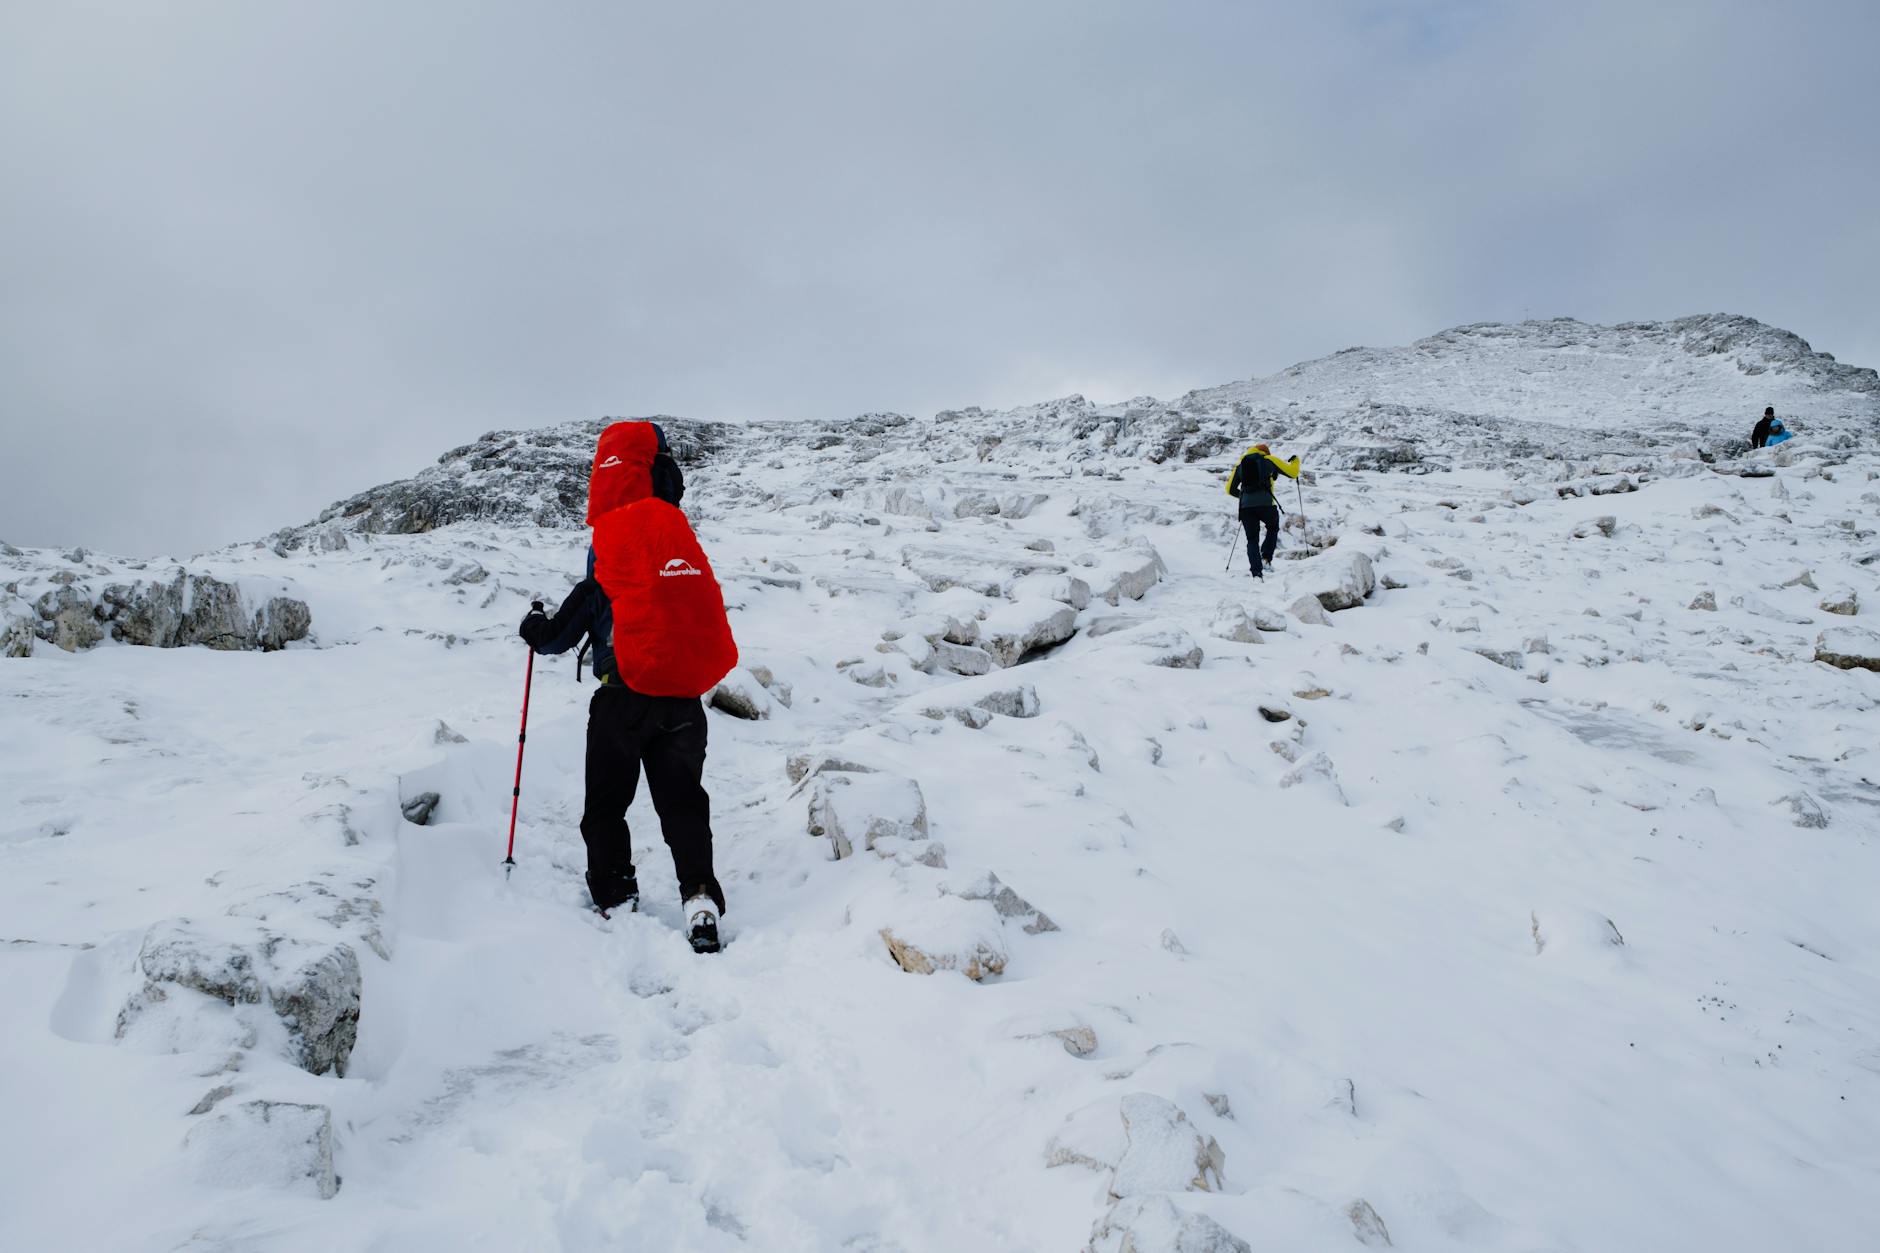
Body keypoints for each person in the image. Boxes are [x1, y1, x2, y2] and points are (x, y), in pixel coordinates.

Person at [519, 421, 739, 953]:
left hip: (622, 700)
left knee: (607, 805)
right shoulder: (674, 552)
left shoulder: (607, 572)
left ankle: (616, 896)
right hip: (684, 700)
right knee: (683, 804)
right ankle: (701, 899)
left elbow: (553, 639)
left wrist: (532, 625)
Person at [1225, 442, 1301, 579]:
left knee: (1252, 539)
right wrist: (1296, 461)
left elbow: (1229, 490)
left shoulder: (1240, 464)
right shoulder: (1268, 460)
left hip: (1246, 508)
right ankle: (1266, 559)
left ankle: (1256, 573)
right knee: (1272, 528)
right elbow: (1293, 473)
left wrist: (1244, 497)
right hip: (1266, 506)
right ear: (1265, 452)